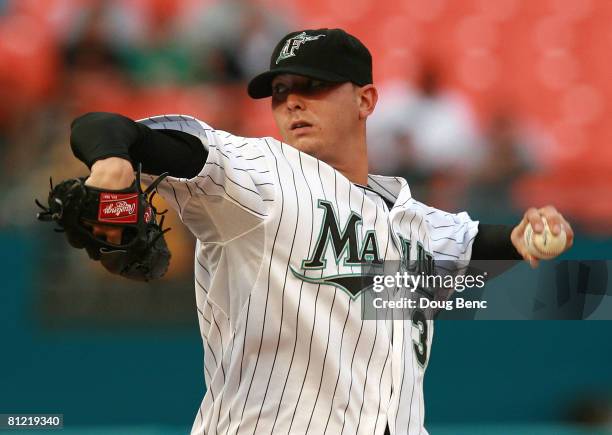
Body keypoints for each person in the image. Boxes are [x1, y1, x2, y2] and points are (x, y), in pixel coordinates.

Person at [69, 28, 574, 435]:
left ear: (366, 100)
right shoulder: (260, 174)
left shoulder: (413, 218)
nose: (291, 102)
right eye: (281, 91)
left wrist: (526, 236)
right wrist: (114, 161)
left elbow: (472, 246)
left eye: (313, 86)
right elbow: (109, 126)